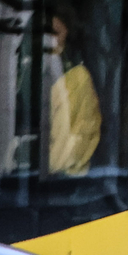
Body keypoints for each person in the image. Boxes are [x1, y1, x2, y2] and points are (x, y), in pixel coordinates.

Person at [45, 15, 102, 177]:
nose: (48, 39)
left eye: (54, 32)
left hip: (65, 183)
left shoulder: (77, 80)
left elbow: (67, 149)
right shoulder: (25, 74)